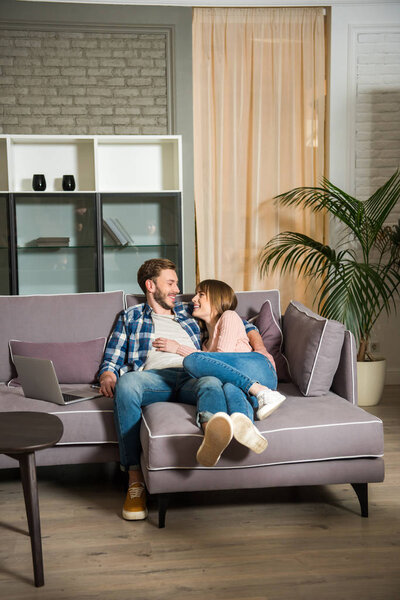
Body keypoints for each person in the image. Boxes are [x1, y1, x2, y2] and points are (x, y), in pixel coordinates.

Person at [98, 259, 268, 521]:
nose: (177, 289)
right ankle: (135, 481)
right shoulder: (130, 317)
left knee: (211, 382)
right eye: (171, 283)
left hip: (192, 372)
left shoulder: (189, 311)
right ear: (150, 285)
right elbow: (113, 357)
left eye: (176, 283)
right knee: (127, 382)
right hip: (153, 377)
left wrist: (260, 348)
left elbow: (240, 323)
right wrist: (108, 374)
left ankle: (213, 429)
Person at [152, 279, 286, 467]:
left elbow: (220, 358)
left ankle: (262, 391)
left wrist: (178, 348)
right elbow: (221, 370)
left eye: (201, 294)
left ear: (217, 299)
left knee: (192, 361)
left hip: (259, 370)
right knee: (230, 388)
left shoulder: (229, 317)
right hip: (242, 387)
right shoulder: (206, 343)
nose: (194, 300)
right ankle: (247, 428)